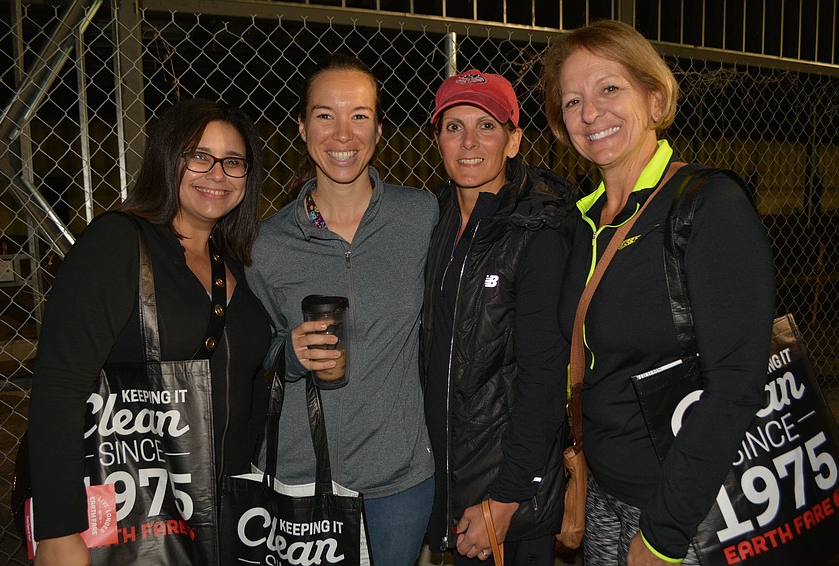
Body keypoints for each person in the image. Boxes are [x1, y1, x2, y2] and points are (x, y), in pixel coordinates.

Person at [541, 20, 776, 566]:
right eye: (572, 100)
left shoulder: (708, 207)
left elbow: (736, 387)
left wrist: (662, 539)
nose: (590, 113)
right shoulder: (582, 223)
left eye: (609, 89)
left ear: (654, 96)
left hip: (690, 511)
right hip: (606, 496)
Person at [27, 98, 271, 565]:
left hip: (224, 513)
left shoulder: (237, 261)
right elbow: (59, 384)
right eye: (199, 156)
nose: (216, 174)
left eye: (233, 162)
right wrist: (59, 530)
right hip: (137, 512)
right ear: (167, 160)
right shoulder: (117, 244)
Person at [246, 53, 438, 566]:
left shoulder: (421, 216)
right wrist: (286, 353)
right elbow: (251, 351)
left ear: (378, 129)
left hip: (397, 477)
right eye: (325, 114)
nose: (342, 133)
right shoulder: (267, 243)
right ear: (303, 127)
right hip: (299, 471)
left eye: (359, 115)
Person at [421, 69, 576, 565]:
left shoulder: (537, 234)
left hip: (507, 491)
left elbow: (544, 375)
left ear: (513, 141)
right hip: (452, 479)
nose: (469, 142)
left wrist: (507, 498)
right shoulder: (438, 219)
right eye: (453, 126)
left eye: (486, 126)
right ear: (438, 140)